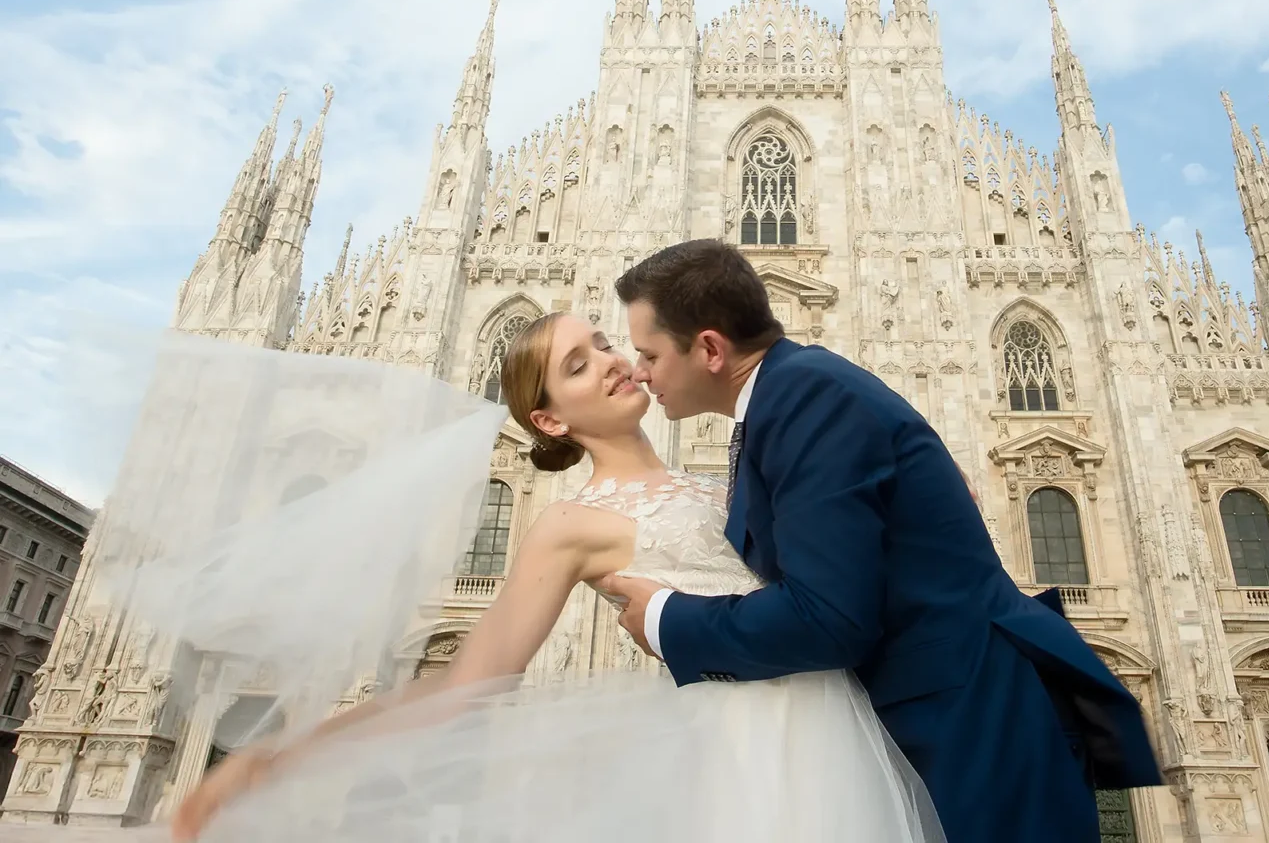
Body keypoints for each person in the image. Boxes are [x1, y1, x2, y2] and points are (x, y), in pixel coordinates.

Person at [169, 312, 943, 843]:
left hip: (852, 725)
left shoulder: (729, 480)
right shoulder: (568, 527)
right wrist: (279, 758)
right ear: (549, 420)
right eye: (578, 365)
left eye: (604, 343)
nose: (611, 361)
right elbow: (462, 685)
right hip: (751, 753)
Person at [600, 238, 1161, 841]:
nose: (639, 372)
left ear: (709, 348)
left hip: (972, 719)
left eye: (648, 354)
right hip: (938, 709)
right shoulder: (791, 397)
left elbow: (830, 616)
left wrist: (666, 617)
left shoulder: (807, 399)